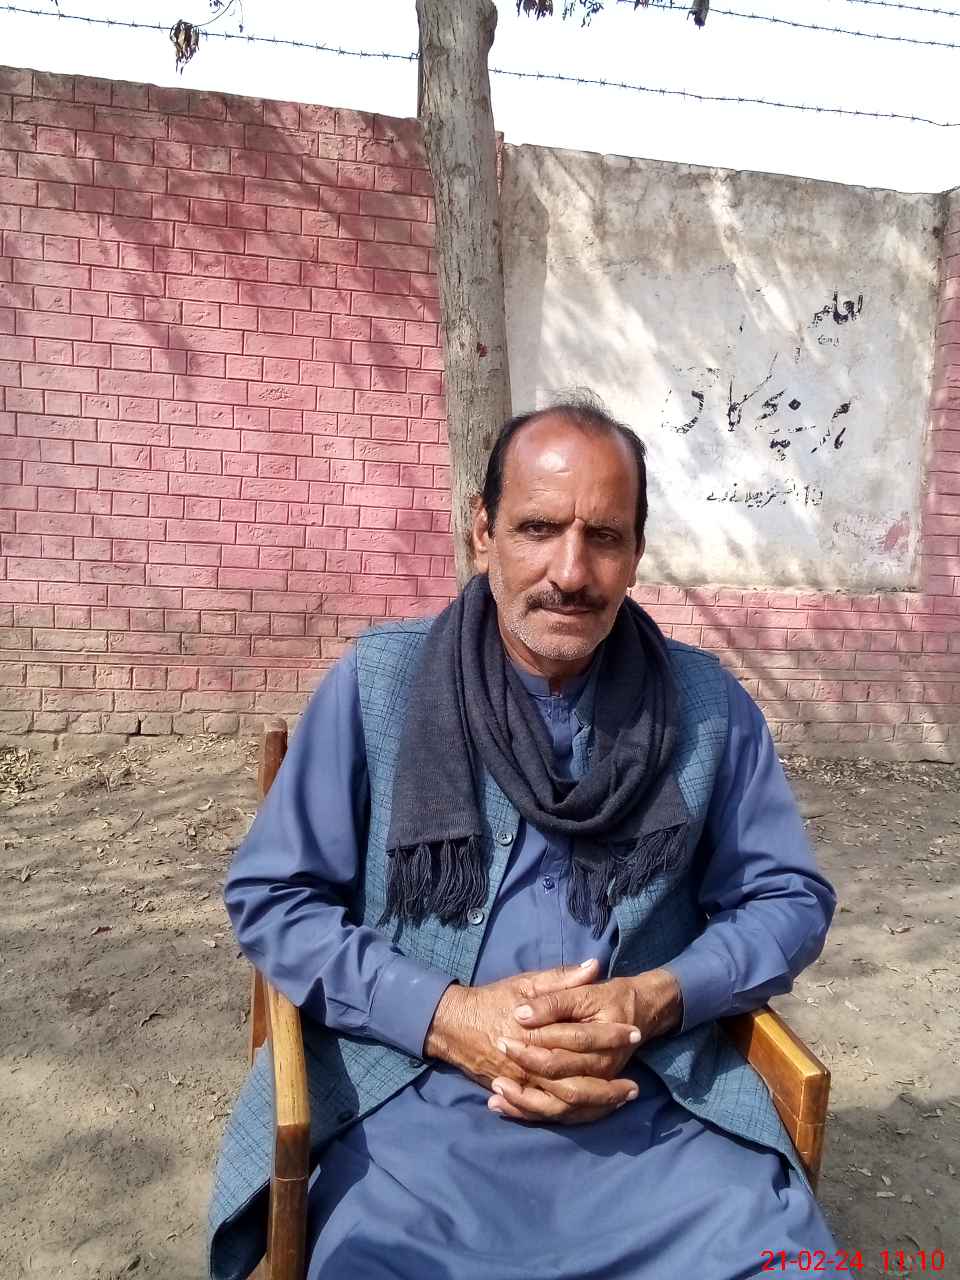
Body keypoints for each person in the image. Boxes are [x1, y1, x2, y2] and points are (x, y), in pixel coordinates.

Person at [208, 399, 839, 1280]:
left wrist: (653, 1000)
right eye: (538, 529)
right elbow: (274, 898)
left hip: (650, 1106)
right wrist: (445, 1016)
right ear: (484, 532)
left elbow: (788, 900)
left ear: (636, 553)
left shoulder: (706, 708)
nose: (570, 573)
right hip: (415, 1105)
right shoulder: (380, 685)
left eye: (604, 538)